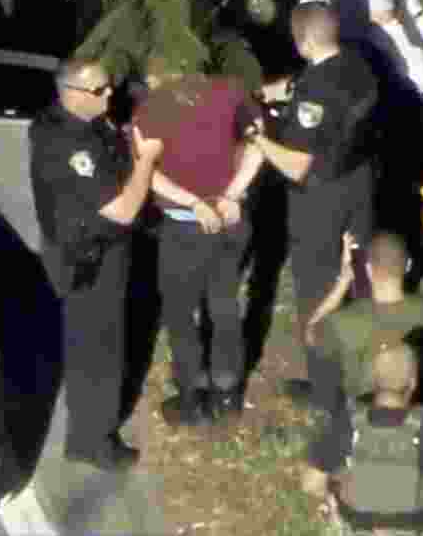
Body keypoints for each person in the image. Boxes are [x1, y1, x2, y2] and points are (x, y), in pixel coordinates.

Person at [29, 58, 163, 471]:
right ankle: (92, 442)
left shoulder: (79, 122)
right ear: (70, 92)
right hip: (88, 259)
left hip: (98, 252)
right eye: (100, 91)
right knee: (99, 354)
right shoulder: (69, 143)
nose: (110, 96)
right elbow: (122, 210)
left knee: (96, 347)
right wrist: (145, 161)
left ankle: (90, 432)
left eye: (110, 87)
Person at [245, 2, 379, 410]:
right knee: (357, 276)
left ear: (303, 41)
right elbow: (302, 87)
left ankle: (326, 391)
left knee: (317, 288)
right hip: (360, 182)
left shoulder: (316, 92)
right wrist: (262, 92)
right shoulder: (355, 62)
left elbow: (297, 166)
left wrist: (258, 138)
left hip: (322, 198)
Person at [131, 57, 265, 426]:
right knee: (223, 304)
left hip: (183, 227)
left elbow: (149, 175)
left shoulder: (152, 108)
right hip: (230, 221)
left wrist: (194, 203)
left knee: (179, 312)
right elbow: (259, 146)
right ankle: (227, 396)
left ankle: (193, 400)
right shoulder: (232, 91)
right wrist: (231, 196)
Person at [302, 345, 423, 536]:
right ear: (413, 382)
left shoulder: (344, 423)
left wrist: (331, 500)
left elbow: (311, 484)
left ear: (373, 380)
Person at [305, 231, 423, 414]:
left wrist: (343, 280)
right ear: (406, 266)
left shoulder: (347, 320)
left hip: (366, 427)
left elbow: (310, 332)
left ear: (368, 270)